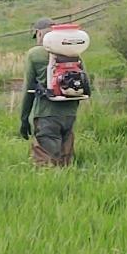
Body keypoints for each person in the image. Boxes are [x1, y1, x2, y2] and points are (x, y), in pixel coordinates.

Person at [19, 17, 81, 166]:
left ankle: (49, 187)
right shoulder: (73, 51)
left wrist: (24, 119)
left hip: (46, 114)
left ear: (39, 34)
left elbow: (29, 90)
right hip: (69, 114)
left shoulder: (34, 54)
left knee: (46, 163)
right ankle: (68, 187)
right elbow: (85, 84)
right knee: (66, 161)